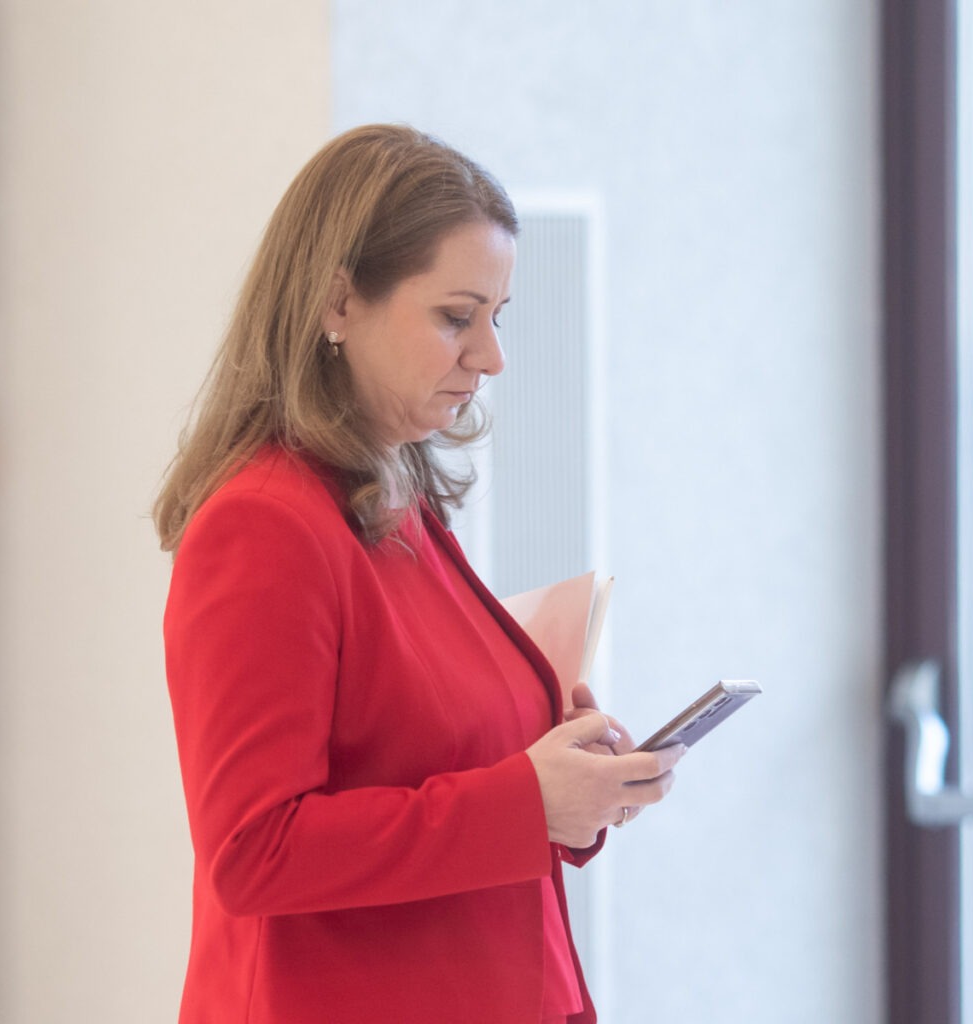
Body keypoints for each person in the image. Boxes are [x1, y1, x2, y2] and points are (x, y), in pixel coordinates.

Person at [154, 124, 685, 1024]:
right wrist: (526, 802)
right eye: (455, 317)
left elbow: (421, 766)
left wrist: (567, 777)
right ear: (337, 303)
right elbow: (255, 851)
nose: (491, 356)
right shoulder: (264, 524)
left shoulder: (391, 496)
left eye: (496, 317)